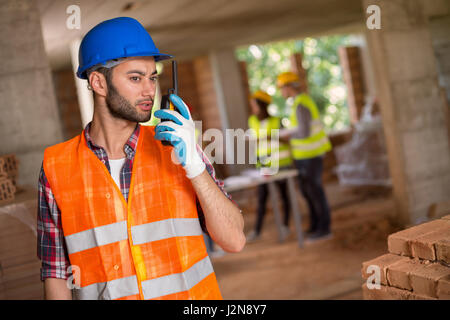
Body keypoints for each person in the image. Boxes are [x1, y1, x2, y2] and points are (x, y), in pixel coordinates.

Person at [37, 17, 245, 300]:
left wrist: (195, 167)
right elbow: (56, 274)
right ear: (98, 82)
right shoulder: (56, 166)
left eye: (153, 77)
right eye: (135, 78)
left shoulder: (177, 148)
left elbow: (234, 240)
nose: (149, 90)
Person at [276, 72, 333, 242]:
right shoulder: (297, 104)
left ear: (288, 87)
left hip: (311, 155)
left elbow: (304, 132)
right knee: (307, 191)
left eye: (281, 88)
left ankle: (324, 228)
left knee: (315, 191)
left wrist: (286, 136)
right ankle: (316, 226)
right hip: (304, 156)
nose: (281, 92)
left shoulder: (301, 103)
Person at [246, 90, 293, 242]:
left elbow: (287, 140)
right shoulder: (252, 121)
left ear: (261, 105)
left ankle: (285, 226)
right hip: (264, 165)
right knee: (262, 197)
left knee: (284, 195)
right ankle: (257, 230)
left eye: (254, 104)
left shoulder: (276, 120)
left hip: (281, 164)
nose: (252, 107)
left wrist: (272, 137)